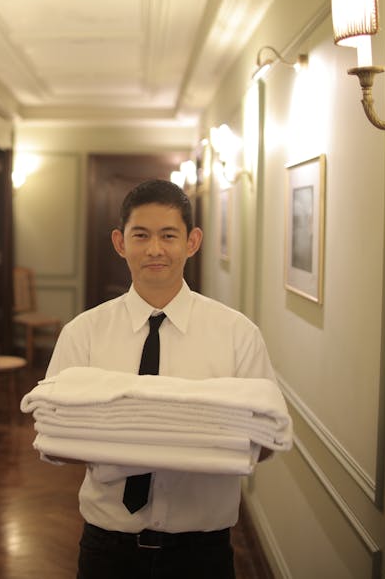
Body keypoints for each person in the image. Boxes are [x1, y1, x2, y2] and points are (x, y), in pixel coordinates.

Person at [42, 178, 280, 579]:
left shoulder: (238, 334)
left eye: (169, 235)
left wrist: (129, 439)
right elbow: (52, 437)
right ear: (120, 243)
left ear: (192, 241)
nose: (155, 249)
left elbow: (267, 440)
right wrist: (152, 442)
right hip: (107, 546)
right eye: (141, 235)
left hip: (202, 551)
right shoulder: (82, 333)